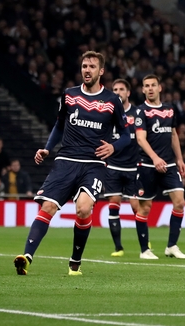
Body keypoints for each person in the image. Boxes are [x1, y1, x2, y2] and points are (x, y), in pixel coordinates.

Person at [14, 51, 129, 276]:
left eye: (92, 66)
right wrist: (48, 147)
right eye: (84, 66)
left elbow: (126, 135)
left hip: (93, 164)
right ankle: (26, 257)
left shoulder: (112, 101)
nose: (87, 70)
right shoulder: (69, 95)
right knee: (47, 206)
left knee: (84, 209)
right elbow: (59, 126)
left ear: (101, 71)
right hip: (66, 160)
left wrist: (113, 147)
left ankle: (75, 260)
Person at [134, 74, 185, 260]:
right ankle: (144, 250)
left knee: (180, 202)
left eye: (153, 85)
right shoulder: (141, 112)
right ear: (143, 90)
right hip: (148, 164)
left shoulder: (169, 110)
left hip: (170, 163)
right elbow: (140, 139)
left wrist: (179, 158)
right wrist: (155, 158)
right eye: (146, 85)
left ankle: (172, 246)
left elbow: (173, 135)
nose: (150, 88)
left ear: (160, 88)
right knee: (145, 207)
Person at [103, 78, 141, 257]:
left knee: (136, 206)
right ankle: (118, 247)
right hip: (113, 166)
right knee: (113, 204)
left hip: (133, 167)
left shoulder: (137, 113)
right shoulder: (108, 114)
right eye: (115, 89)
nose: (117, 92)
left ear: (128, 93)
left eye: (121, 89)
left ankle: (144, 240)